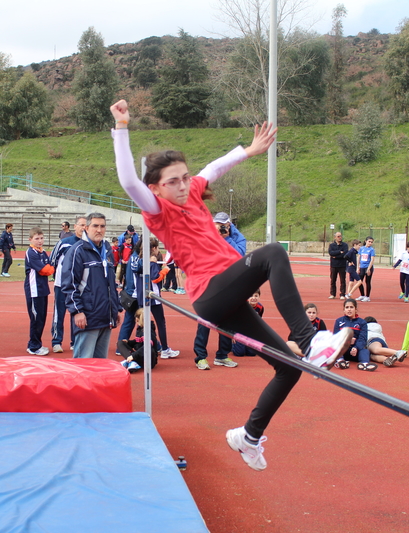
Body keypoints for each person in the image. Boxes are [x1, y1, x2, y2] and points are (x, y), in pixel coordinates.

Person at [111, 99, 353, 471]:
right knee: (273, 253)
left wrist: (251, 150)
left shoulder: (192, 191)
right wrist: (123, 127)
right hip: (210, 293)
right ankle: (311, 340)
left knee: (288, 367)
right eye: (171, 181)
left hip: (228, 291)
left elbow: (214, 167)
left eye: (184, 177)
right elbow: (128, 179)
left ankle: (248, 437)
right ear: (156, 189)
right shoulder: (158, 210)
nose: (181, 185)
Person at [60, 213, 121, 359]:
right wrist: (77, 311)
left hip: (105, 317)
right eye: (95, 226)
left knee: (100, 366)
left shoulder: (107, 249)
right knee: (83, 365)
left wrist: (116, 308)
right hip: (87, 317)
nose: (99, 230)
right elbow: (69, 285)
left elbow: (110, 282)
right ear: (86, 228)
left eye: (102, 226)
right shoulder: (77, 251)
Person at [193, 211, 248, 370]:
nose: (220, 227)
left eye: (224, 224)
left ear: (229, 225)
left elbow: (239, 255)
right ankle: (200, 357)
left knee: (228, 322)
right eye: (218, 224)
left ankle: (222, 355)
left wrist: (227, 238)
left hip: (228, 284)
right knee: (204, 321)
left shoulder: (237, 237)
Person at [133, 236, 179, 360]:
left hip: (141, 294)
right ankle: (164, 349)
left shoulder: (138, 259)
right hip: (152, 295)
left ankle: (141, 347)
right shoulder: (151, 260)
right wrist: (164, 270)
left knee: (142, 322)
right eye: (158, 247)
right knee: (160, 323)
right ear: (153, 248)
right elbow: (155, 277)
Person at [49, 216, 87, 353]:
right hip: (61, 285)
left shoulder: (87, 244)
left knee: (76, 313)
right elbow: (52, 260)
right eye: (81, 225)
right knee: (59, 313)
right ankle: (56, 341)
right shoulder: (64, 242)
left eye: (85, 225)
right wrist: (59, 276)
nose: (83, 228)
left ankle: (75, 341)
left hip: (78, 286)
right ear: (75, 226)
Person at [25, 227, 55, 355]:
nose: (40, 241)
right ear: (30, 239)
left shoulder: (42, 252)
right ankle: (33, 346)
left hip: (43, 289)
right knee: (36, 318)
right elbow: (45, 270)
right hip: (34, 290)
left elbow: (49, 266)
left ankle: (37, 343)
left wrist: (51, 267)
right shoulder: (31, 253)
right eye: (37, 238)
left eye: (41, 238)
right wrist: (52, 268)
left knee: (41, 318)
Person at [332, 299, 377, 371]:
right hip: (343, 349)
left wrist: (356, 347)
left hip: (355, 351)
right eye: (347, 307)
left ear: (356, 309)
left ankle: (364, 364)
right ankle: (340, 361)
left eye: (351, 307)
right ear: (344, 310)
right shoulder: (339, 321)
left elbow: (362, 339)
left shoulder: (362, 322)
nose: (349, 310)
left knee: (365, 351)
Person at [232, 289, 264, 357]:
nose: (253, 298)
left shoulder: (260, 308)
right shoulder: (242, 307)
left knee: (252, 353)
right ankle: (232, 345)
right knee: (239, 353)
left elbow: (259, 322)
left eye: (256, 296)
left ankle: (247, 343)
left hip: (250, 333)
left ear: (259, 297)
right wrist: (233, 335)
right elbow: (234, 321)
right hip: (240, 331)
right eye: (251, 296)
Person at [328, 232, 348, 299]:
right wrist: (339, 252)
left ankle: (342, 294)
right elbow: (331, 253)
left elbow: (345, 254)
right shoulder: (331, 245)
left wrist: (336, 256)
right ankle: (333, 294)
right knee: (333, 280)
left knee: (343, 280)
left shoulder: (345, 245)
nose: (340, 237)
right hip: (334, 265)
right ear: (335, 237)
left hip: (342, 265)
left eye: (340, 236)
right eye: (338, 236)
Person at [357, 237, 375, 301]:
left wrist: (368, 269)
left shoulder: (372, 250)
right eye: (369, 241)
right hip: (362, 267)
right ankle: (362, 295)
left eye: (371, 242)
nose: (370, 243)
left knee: (367, 281)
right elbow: (359, 257)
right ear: (366, 241)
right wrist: (357, 267)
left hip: (368, 267)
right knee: (359, 281)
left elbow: (372, 259)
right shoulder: (361, 249)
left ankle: (367, 296)